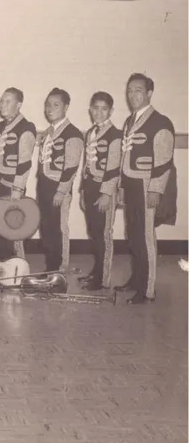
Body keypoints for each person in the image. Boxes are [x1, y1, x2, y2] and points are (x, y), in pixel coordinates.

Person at [115, 73, 176, 304]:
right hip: (130, 184)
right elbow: (124, 157)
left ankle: (147, 289)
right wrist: (121, 185)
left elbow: (164, 160)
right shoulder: (129, 121)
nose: (132, 95)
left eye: (137, 90)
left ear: (149, 93)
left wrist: (156, 189)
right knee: (133, 235)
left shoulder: (161, 122)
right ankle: (136, 279)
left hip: (146, 185)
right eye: (129, 90)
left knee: (146, 236)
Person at [78, 92, 122, 291]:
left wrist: (106, 193)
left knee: (104, 234)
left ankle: (102, 279)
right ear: (90, 109)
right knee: (94, 232)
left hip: (104, 189)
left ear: (111, 111)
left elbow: (114, 168)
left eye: (104, 109)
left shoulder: (115, 135)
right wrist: (81, 191)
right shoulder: (90, 133)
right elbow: (86, 165)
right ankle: (96, 272)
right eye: (95, 107)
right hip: (90, 188)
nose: (98, 112)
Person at [37, 88, 84, 272]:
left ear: (66, 107)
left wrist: (61, 191)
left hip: (58, 188)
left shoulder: (72, 133)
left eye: (56, 105)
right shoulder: (49, 131)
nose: (50, 109)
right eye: (48, 105)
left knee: (59, 227)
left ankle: (60, 268)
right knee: (47, 227)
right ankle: (51, 266)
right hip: (45, 185)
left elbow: (71, 167)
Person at [0, 87, 36, 261]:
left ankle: (17, 266)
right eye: (1, 101)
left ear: (19, 104)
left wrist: (18, 189)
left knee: (13, 228)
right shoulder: (1, 126)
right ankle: (2, 264)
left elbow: (25, 163)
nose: (2, 105)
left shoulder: (27, 127)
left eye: (8, 101)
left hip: (12, 187)